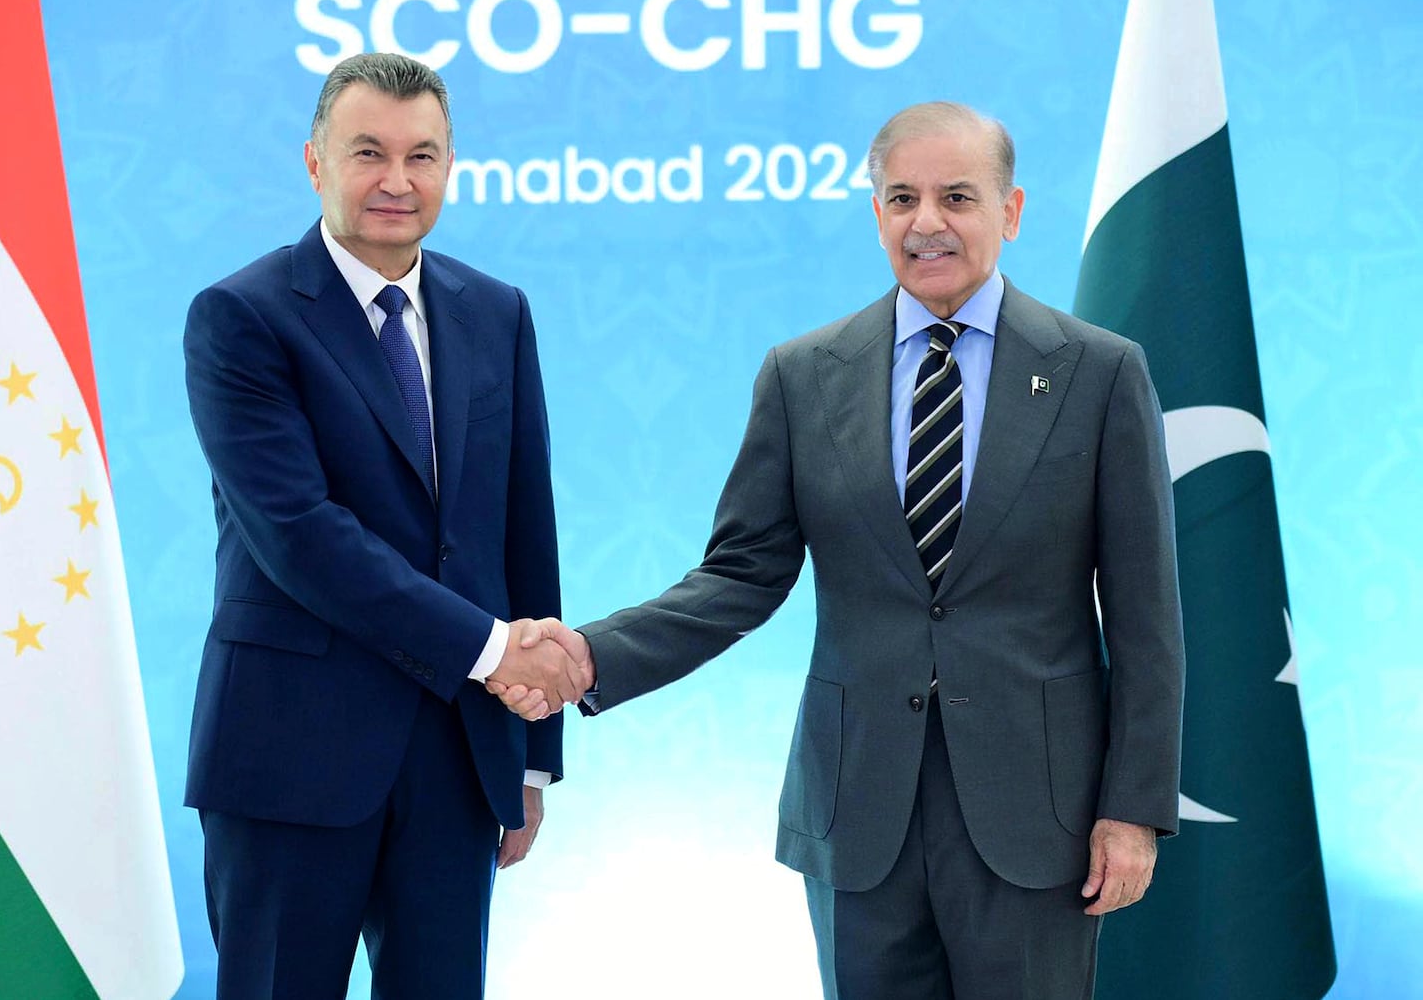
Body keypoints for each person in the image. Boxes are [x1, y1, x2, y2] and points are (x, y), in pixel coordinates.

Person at [491, 101, 1185, 1000]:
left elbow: (1147, 619)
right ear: (876, 214)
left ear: (1010, 212)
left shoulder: (1100, 372)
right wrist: (590, 655)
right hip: (860, 814)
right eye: (902, 197)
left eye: (957, 197)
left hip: (1039, 816)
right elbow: (740, 575)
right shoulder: (803, 375)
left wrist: (1132, 809)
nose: (927, 221)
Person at [183, 52, 590, 1000]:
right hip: (289, 760)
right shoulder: (241, 318)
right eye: (368, 152)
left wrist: (530, 757)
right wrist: (496, 652)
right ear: (316, 162)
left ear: (450, 168)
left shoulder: (497, 311)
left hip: (458, 759)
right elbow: (301, 536)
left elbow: (522, 527)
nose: (397, 181)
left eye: (422, 156)